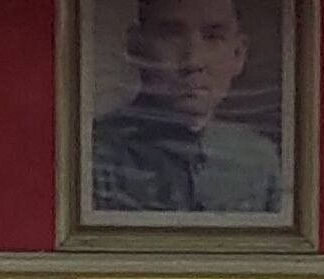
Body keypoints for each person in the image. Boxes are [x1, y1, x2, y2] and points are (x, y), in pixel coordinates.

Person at [88, 0, 283, 218]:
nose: (193, 61)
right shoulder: (92, 155)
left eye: (213, 37)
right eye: (170, 35)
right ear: (135, 47)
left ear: (238, 54)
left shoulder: (259, 160)